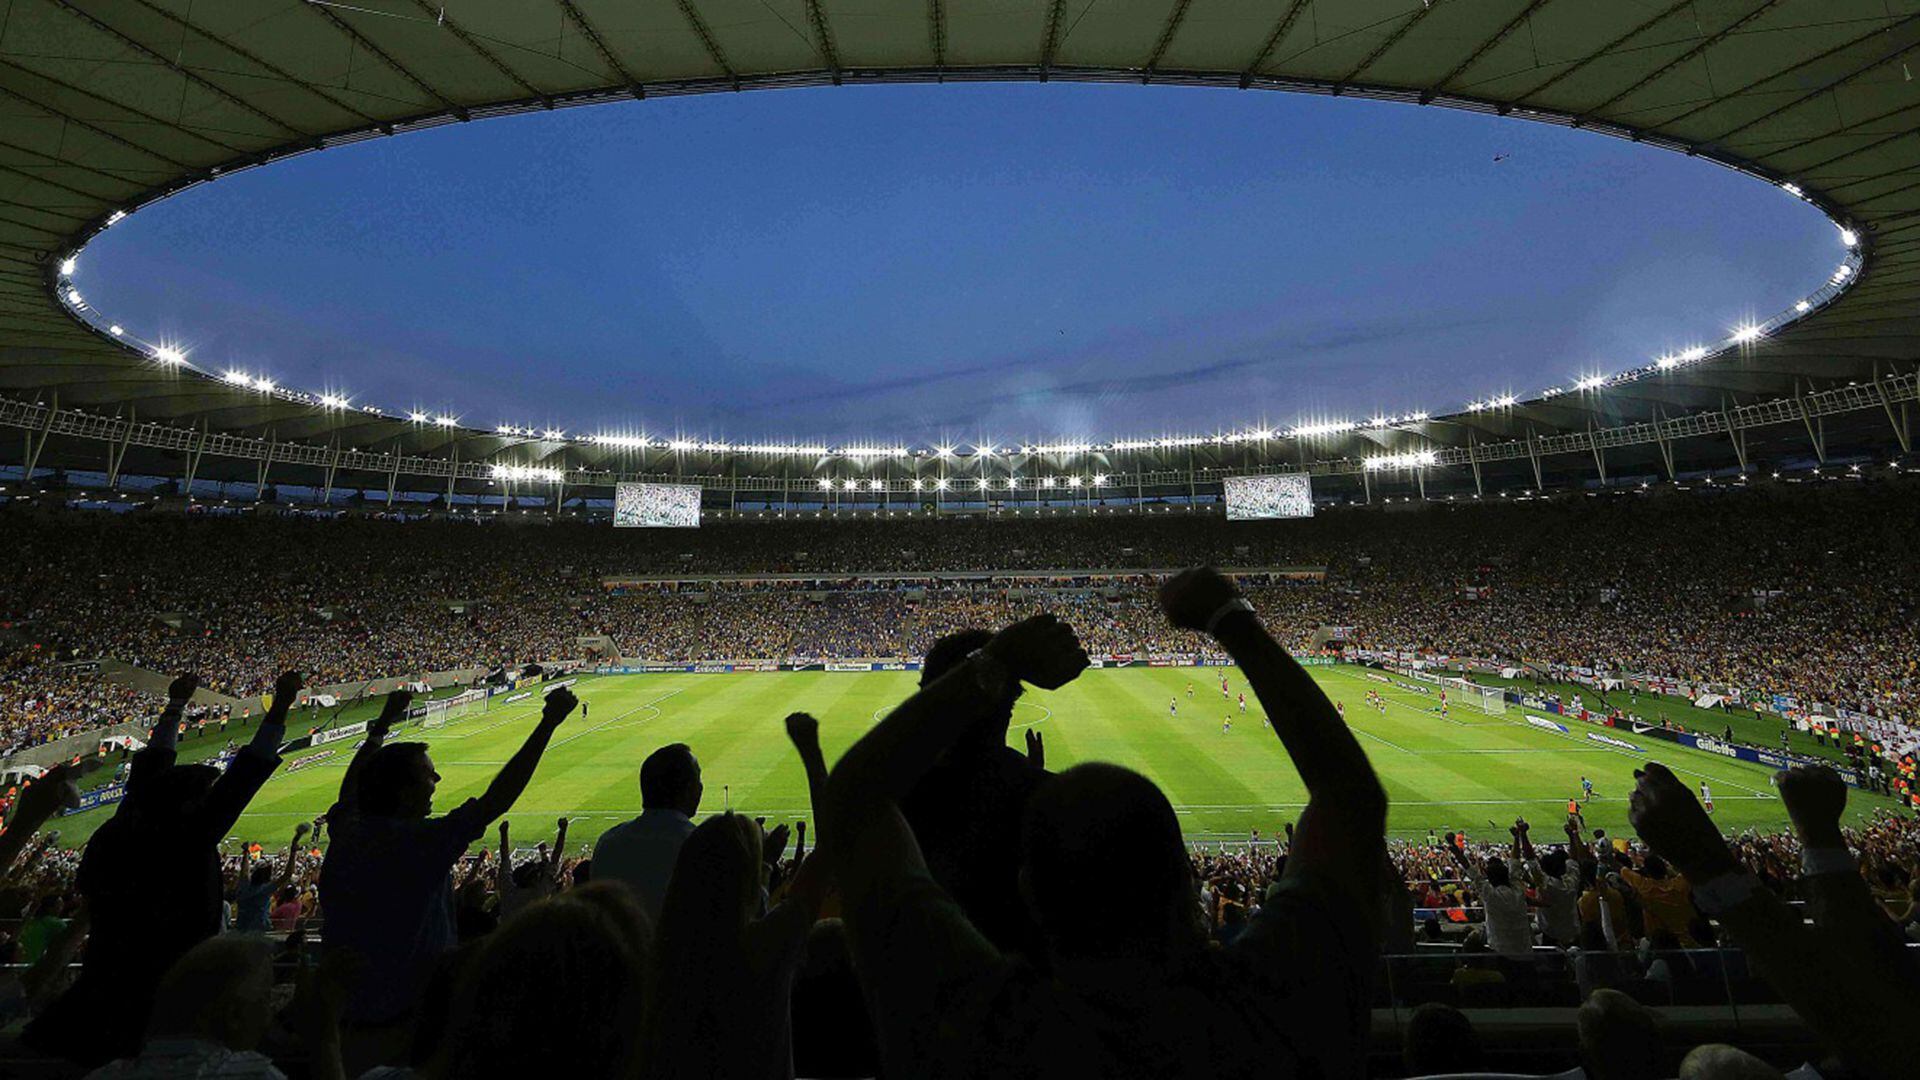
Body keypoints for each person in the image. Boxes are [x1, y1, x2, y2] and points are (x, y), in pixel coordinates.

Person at [825, 568, 1389, 1077]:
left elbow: (852, 800)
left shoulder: (973, 1024)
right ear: (1185, 886)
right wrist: (1228, 618)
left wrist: (992, 666)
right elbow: (1352, 800)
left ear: (1030, 890)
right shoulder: (1274, 1006)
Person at [29, 671, 300, 1067]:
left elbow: (149, 771)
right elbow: (248, 772)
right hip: (166, 992)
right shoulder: (188, 836)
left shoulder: (124, 827)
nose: (210, 797)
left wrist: (174, 707)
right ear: (188, 805)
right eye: (203, 794)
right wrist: (280, 706)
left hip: (101, 985)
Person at [319, 685, 577, 1073]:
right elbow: (495, 800)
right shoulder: (415, 846)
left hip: (352, 1021)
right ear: (403, 793)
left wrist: (382, 725)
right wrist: (548, 723)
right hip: (407, 1026)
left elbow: (350, 790)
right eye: (427, 775)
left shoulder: (348, 833)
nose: (437, 779)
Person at [899, 629, 1054, 960]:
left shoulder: (897, 801)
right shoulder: (1050, 800)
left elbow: (848, 789)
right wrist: (1032, 777)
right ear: (1010, 699)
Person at [593, 742, 704, 923]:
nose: (701, 788)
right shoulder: (702, 845)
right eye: (698, 779)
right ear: (688, 789)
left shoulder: (607, 843)